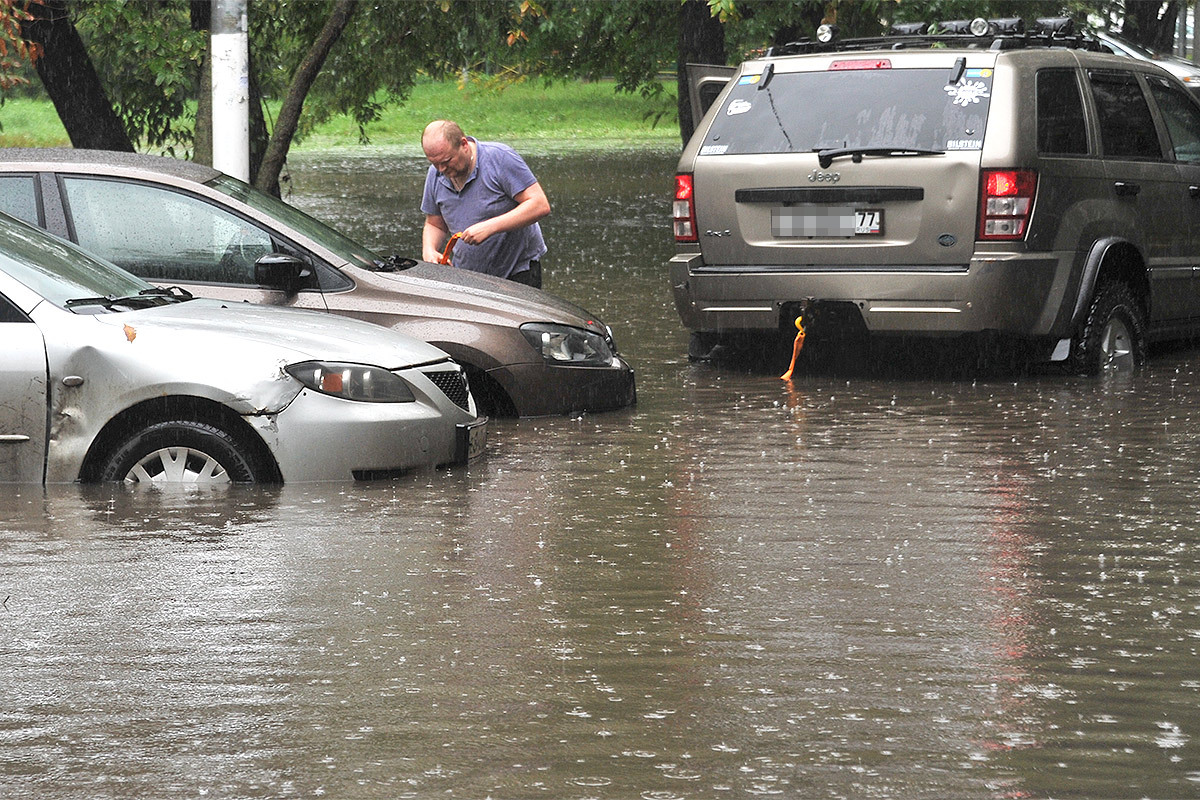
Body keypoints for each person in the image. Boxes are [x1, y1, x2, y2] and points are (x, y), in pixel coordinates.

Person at [420, 120, 550, 287]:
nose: (441, 169)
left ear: (464, 144)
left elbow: (539, 204)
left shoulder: (500, 158)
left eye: (447, 161)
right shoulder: (436, 174)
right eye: (434, 163)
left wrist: (489, 227)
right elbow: (435, 224)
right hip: (468, 276)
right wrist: (429, 250)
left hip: (518, 273)